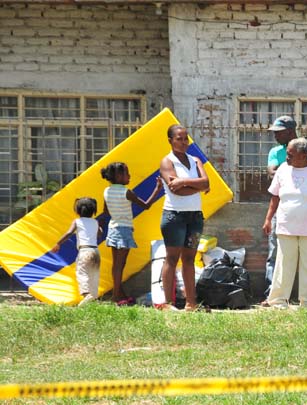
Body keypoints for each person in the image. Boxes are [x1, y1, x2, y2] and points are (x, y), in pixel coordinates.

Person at [261, 138, 307, 308]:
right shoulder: (282, 169)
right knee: (283, 264)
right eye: (287, 154)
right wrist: (268, 219)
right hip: (285, 225)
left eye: (290, 155)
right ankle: (278, 301)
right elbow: (275, 197)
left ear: (303, 155)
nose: (287, 158)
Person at [264, 115, 307, 299]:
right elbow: (272, 173)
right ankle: (272, 294)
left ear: (290, 131)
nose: (275, 136)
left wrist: (289, 168)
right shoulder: (274, 151)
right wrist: (290, 165)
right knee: (276, 253)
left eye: (278, 132)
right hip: (282, 210)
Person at [159, 124, 210, 312]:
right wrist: (197, 186)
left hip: (195, 217)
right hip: (174, 217)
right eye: (179, 139)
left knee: (189, 259)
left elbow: (206, 182)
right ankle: (167, 303)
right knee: (172, 258)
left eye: (186, 138)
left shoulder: (195, 160)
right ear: (170, 141)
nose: (183, 142)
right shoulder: (167, 162)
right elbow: (176, 191)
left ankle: (191, 303)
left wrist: (184, 181)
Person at [101, 162, 163, 306]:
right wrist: (157, 188)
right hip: (124, 230)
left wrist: (117, 213)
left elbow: (105, 211)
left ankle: (119, 293)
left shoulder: (106, 191)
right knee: (120, 265)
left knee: (116, 265)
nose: (129, 176)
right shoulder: (126, 192)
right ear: (119, 176)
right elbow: (146, 205)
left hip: (113, 228)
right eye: (127, 174)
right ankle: (116, 296)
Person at [52, 197, 102, 307]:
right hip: (95, 251)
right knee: (94, 274)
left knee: (82, 273)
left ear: (78, 210)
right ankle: (93, 297)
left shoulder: (77, 221)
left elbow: (69, 233)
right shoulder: (95, 222)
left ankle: (86, 294)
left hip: (84, 251)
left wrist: (58, 243)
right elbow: (99, 234)